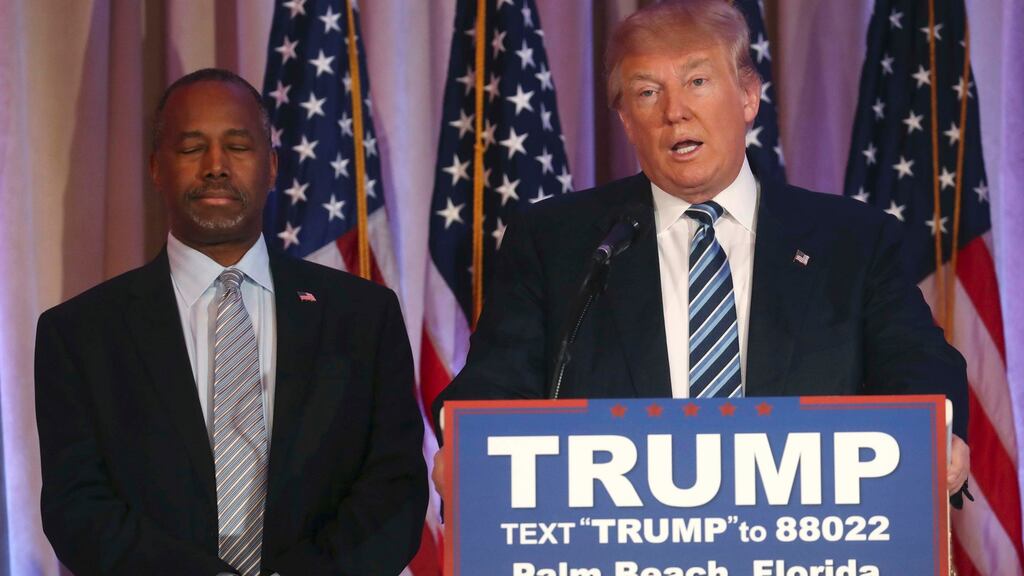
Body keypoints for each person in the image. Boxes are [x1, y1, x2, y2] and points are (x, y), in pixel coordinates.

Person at [432, 0, 969, 496]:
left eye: (697, 80)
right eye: (647, 92)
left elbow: (917, 364)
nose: (675, 111)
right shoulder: (557, 242)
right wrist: (463, 442)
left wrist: (940, 431)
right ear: (626, 120)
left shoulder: (852, 240)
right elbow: (493, 385)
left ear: (748, 97)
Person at [35, 68, 426, 576]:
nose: (215, 166)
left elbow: (394, 490)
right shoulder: (80, 333)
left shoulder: (364, 317)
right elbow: (77, 508)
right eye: (192, 147)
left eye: (238, 146)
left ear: (271, 167)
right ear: (156, 167)